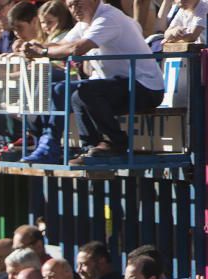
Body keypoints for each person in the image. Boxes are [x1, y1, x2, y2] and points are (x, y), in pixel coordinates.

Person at [21, 0, 165, 164]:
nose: (74, 8)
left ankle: (116, 143)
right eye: (70, 5)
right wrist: (35, 46)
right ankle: (78, 147)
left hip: (145, 88)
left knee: (85, 92)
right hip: (119, 84)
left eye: (78, 3)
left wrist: (43, 51)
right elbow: (62, 44)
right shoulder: (84, 24)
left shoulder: (108, 18)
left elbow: (77, 48)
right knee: (66, 91)